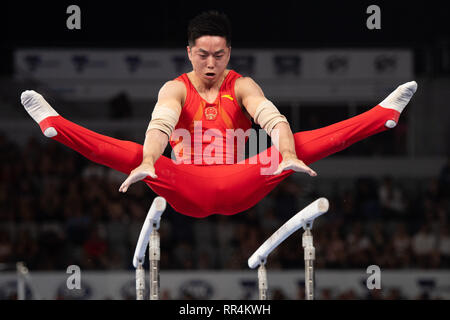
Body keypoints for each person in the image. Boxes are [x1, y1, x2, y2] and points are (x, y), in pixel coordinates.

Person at [20, 11, 417, 218]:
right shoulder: (175, 88)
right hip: (185, 185)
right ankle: (55, 124)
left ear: (229, 53)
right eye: (204, 54)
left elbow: (271, 118)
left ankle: (382, 115)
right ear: (190, 51)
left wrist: (288, 155)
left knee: (289, 145)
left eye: (220, 54)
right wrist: (147, 161)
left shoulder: (241, 85)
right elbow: (160, 123)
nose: (211, 62)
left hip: (239, 184)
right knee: (137, 155)